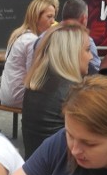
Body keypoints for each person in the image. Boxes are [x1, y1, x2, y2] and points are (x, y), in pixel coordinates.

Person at [22, 23, 92, 157]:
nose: (91, 57)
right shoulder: (73, 92)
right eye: (88, 50)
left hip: (34, 165)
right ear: (71, 52)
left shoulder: (38, 82)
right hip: (59, 170)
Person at [0, 0, 58, 107]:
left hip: (6, 94)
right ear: (36, 17)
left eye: (54, 17)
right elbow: (34, 75)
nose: (53, 21)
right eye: (49, 17)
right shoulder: (32, 40)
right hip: (18, 97)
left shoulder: (18, 33)